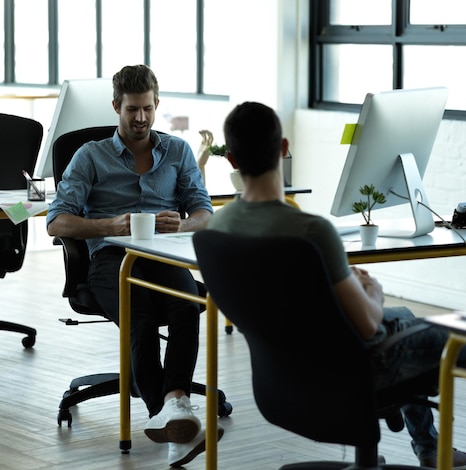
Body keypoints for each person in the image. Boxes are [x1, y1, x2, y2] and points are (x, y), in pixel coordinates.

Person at [207, 101, 466, 469]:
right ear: (283, 149)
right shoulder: (311, 231)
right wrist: (371, 290)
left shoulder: (218, 229)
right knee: (454, 335)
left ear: (231, 160)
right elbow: (368, 324)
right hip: (350, 374)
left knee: (405, 315)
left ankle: (428, 447)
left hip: (283, 379)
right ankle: (427, 447)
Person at [46, 64, 222, 467]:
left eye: (147, 108)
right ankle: (170, 417)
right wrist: (109, 225)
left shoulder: (176, 151)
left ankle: (174, 407)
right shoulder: (90, 156)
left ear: (156, 104)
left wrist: (185, 222)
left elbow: (203, 211)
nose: (140, 118)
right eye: (131, 110)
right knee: (139, 313)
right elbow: (56, 220)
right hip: (111, 258)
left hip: (162, 253)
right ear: (116, 107)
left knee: (186, 301)